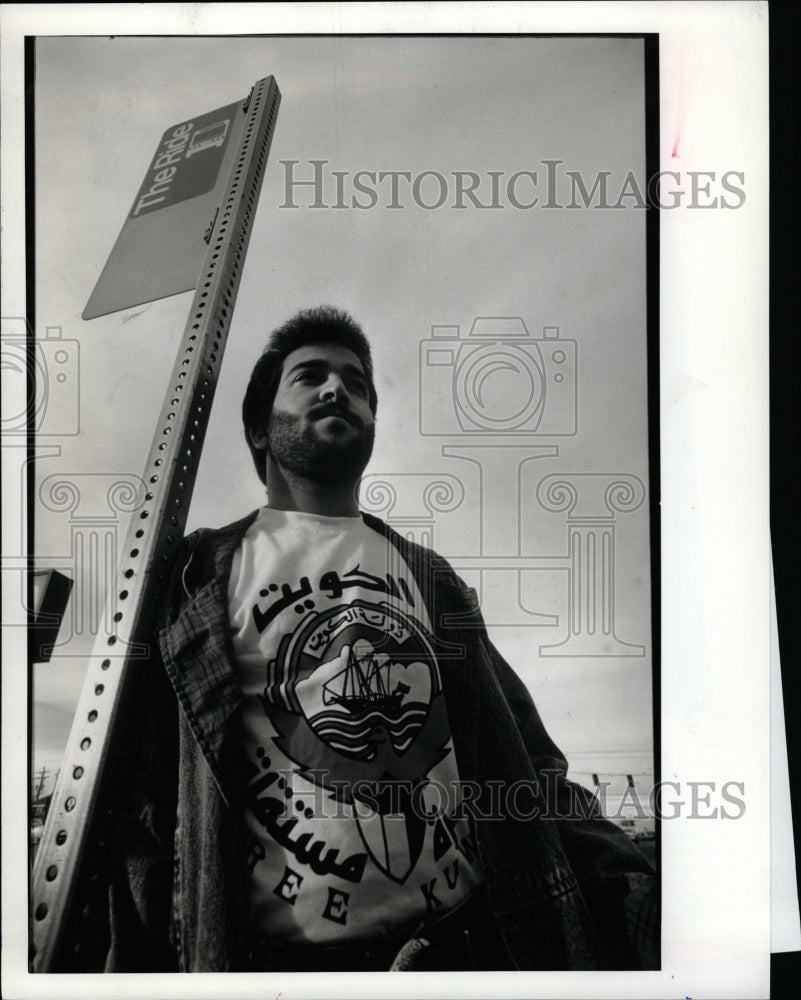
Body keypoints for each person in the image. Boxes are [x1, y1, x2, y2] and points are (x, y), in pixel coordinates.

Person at [105, 305, 657, 973]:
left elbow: (528, 762)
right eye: (309, 376)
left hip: (467, 949)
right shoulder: (196, 575)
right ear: (258, 426)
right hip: (276, 970)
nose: (338, 389)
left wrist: (639, 900)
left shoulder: (432, 578)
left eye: (357, 383)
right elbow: (141, 803)